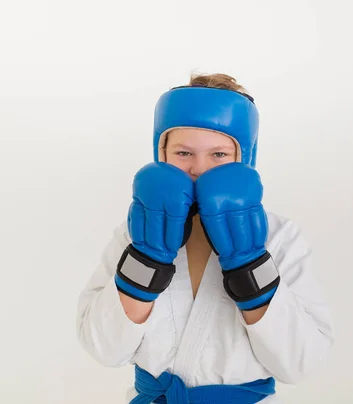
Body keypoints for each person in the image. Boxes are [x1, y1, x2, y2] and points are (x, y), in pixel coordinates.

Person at [76, 73, 334, 403]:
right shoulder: (134, 234)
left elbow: (301, 364)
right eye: (184, 153)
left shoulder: (279, 238)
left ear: (246, 157)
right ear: (161, 153)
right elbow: (103, 349)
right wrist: (147, 260)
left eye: (219, 155)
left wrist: (249, 264)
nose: (199, 169)